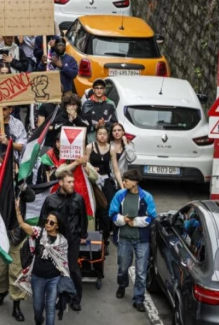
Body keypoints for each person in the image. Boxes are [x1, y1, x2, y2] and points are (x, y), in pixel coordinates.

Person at [13, 200, 71, 325]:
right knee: (38, 308)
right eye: (47, 221)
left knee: (50, 308)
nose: (48, 224)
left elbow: (64, 263)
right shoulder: (38, 233)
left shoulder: (62, 242)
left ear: (57, 226)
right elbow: (23, 224)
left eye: (52, 222)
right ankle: (38, 321)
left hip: (54, 279)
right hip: (37, 278)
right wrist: (18, 210)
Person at [38, 171, 88, 312]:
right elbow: (42, 219)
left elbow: (83, 218)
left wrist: (83, 235)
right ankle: (55, 297)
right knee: (54, 268)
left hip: (72, 239)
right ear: (60, 183)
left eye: (73, 181)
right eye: (69, 182)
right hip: (54, 240)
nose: (72, 184)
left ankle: (76, 299)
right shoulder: (50, 200)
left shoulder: (78, 199)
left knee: (73, 269)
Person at [109, 169, 157, 312]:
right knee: (123, 267)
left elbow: (152, 216)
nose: (123, 182)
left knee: (141, 272)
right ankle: (122, 285)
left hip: (142, 241)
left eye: (126, 180)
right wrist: (122, 219)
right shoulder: (119, 195)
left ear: (135, 182)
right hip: (124, 239)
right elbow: (112, 213)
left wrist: (135, 222)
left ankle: (138, 299)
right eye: (123, 180)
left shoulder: (147, 197)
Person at [84, 125, 123, 244]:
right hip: (93, 181)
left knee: (107, 209)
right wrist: (91, 169)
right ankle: (92, 236)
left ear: (108, 135)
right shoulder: (90, 147)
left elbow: (116, 169)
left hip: (106, 180)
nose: (102, 136)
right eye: (100, 133)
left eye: (104, 134)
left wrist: (121, 187)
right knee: (94, 209)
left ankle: (104, 239)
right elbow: (84, 164)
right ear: (96, 135)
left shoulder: (111, 149)